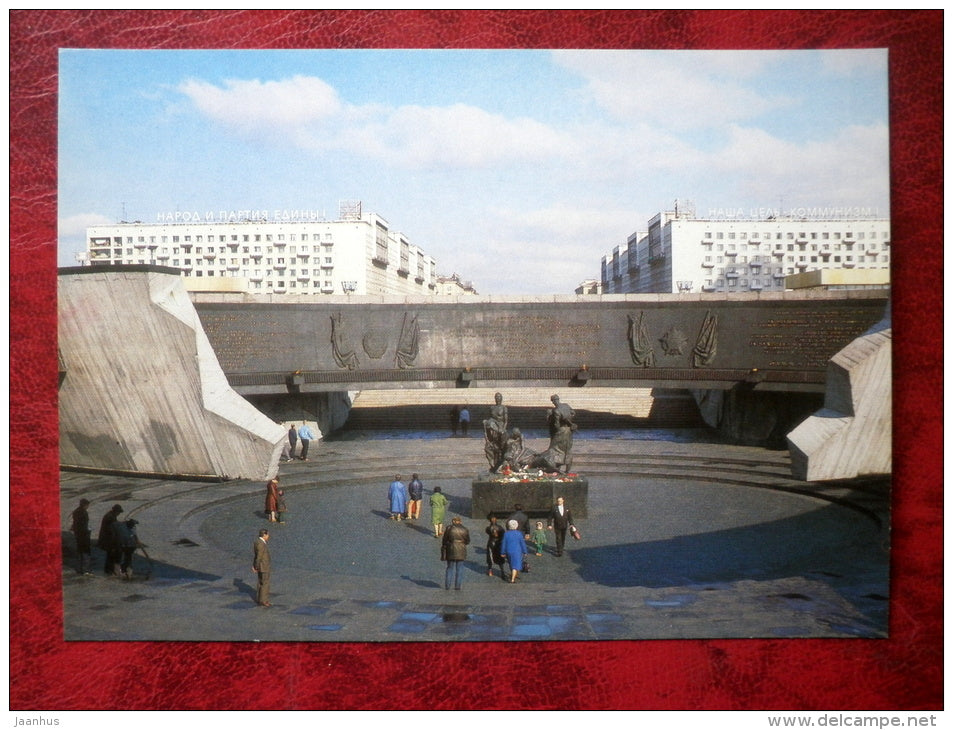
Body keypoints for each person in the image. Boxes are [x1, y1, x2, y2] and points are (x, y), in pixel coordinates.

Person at [441, 516, 470, 591]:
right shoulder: (465, 529)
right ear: (460, 521)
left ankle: (447, 585)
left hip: (451, 549)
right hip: (461, 549)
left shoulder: (449, 528)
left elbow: (444, 540)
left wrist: (445, 546)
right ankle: (457, 586)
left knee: (450, 568)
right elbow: (468, 541)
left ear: (453, 521)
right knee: (459, 568)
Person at [482, 392, 509, 472]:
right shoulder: (492, 408)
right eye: (496, 397)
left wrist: (503, 429)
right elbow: (490, 418)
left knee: (502, 444)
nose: (498, 398)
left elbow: (505, 421)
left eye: (499, 397)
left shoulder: (504, 408)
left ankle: (501, 462)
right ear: (495, 398)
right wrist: (486, 422)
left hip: (501, 426)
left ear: (501, 398)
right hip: (493, 425)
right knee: (488, 423)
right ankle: (493, 465)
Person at [96, 504, 123, 576]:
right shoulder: (110, 517)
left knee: (110, 555)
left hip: (108, 539)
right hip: (109, 540)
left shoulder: (110, 516)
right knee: (111, 555)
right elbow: (112, 529)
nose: (119, 514)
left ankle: (109, 570)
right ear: (116, 511)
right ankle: (109, 571)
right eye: (119, 512)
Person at [500, 519, 529, 584]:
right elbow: (522, 543)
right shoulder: (519, 534)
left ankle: (514, 574)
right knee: (515, 565)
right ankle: (512, 579)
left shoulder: (506, 534)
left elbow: (503, 544)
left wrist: (502, 552)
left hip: (508, 551)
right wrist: (525, 551)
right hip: (517, 551)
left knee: (511, 563)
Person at [70, 498, 93, 575]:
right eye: (87, 505)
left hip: (78, 534)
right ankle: (86, 570)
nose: (88, 507)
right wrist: (88, 531)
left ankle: (79, 569)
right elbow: (84, 525)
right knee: (86, 552)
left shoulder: (76, 511)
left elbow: (75, 523)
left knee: (79, 551)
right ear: (85, 505)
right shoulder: (83, 513)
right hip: (84, 535)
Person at [252, 528, 272, 607]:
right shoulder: (261, 544)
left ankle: (259, 598)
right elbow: (259, 556)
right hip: (263, 566)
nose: (268, 536)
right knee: (265, 583)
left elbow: (256, 555)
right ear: (264, 535)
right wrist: (256, 566)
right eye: (268, 535)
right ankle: (264, 601)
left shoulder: (257, 542)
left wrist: (254, 565)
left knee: (260, 582)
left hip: (260, 566)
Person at [484, 514, 506, 578]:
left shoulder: (488, 528)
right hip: (498, 543)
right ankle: (502, 571)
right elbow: (503, 534)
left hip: (491, 542)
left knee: (490, 556)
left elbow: (487, 532)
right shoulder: (500, 527)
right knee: (499, 558)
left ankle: (490, 570)